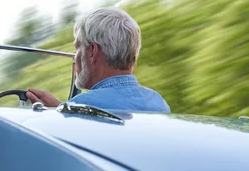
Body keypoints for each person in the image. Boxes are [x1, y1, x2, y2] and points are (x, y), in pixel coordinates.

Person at [26, 7, 170, 113]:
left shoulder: (81, 108)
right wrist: (61, 110)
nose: (75, 57)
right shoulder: (157, 103)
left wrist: (66, 112)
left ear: (92, 52)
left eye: (78, 48)